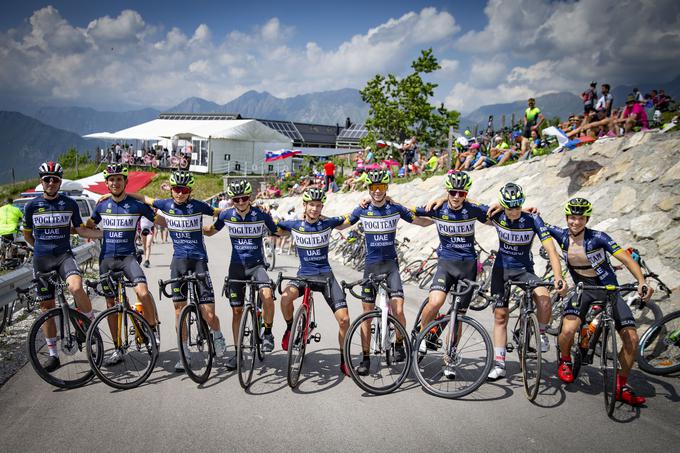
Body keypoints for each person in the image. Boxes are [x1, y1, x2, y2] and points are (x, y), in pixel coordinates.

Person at [547, 198, 652, 406]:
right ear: (566, 217)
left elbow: (626, 259)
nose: (575, 222)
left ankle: (621, 386)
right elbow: (534, 221)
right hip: (583, 289)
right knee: (568, 330)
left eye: (580, 218)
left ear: (587, 219)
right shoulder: (560, 235)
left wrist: (642, 281)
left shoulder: (598, 237)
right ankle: (565, 360)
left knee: (631, 337)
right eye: (571, 217)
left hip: (608, 289)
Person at [128, 171, 227, 372]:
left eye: (184, 190)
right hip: (179, 261)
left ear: (189, 191)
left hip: (199, 260)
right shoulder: (166, 204)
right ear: (171, 190)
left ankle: (216, 334)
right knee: (178, 310)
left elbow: (219, 213)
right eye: (176, 190)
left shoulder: (198, 205)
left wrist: (230, 214)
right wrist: (113, 195)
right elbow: (144, 198)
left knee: (208, 313)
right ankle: (184, 353)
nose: (180, 194)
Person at [336, 170, 431, 375]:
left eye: (380, 187)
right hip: (370, 267)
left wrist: (443, 219)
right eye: (373, 187)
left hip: (391, 266)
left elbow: (419, 221)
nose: (377, 191)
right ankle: (366, 359)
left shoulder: (395, 208)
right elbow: (342, 225)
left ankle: (398, 343)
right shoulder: (362, 209)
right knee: (367, 315)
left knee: (398, 309)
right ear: (368, 189)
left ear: (386, 188)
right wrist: (318, 218)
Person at [23, 162, 102, 372]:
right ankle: (53, 355)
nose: (51, 182)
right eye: (47, 179)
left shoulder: (69, 203)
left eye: (55, 179)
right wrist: (39, 248)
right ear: (41, 182)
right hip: (42, 260)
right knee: (46, 308)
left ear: (60, 181)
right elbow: (27, 234)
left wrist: (106, 234)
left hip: (64, 257)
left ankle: (89, 327)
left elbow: (81, 231)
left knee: (76, 287)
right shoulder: (31, 206)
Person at [414, 172, 491, 378]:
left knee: (459, 315)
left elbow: (501, 214)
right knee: (436, 301)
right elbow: (409, 213)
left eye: (461, 192)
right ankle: (422, 336)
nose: (457, 196)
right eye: (453, 192)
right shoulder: (438, 209)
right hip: (446, 264)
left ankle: (450, 358)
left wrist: (524, 211)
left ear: (466, 193)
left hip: (468, 267)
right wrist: (386, 201)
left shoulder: (473, 209)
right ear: (447, 192)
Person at [486, 183, 566, 380]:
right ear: (503, 205)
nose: (513, 211)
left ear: (521, 203)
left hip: (523, 270)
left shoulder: (533, 219)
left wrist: (558, 277)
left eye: (517, 206)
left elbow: (551, 251)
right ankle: (499, 363)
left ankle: (541, 332)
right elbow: (464, 203)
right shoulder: (497, 214)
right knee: (500, 316)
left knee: (545, 299)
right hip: (501, 271)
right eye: (509, 207)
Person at [86, 164, 161, 364]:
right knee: (111, 304)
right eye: (111, 179)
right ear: (107, 183)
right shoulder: (101, 206)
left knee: (142, 292)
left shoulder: (135, 205)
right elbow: (88, 226)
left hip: (128, 258)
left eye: (119, 179)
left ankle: (152, 328)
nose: (115, 182)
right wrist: (95, 231)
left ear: (125, 182)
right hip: (107, 260)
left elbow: (158, 219)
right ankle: (118, 347)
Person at [276, 188, 352, 376]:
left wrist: (368, 203)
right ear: (305, 205)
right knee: (285, 299)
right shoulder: (294, 225)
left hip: (325, 276)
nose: (315, 209)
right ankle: (289, 328)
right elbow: (274, 226)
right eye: (312, 205)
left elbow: (350, 219)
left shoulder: (328, 223)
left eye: (318, 206)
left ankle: (344, 360)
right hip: (304, 275)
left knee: (344, 319)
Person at [204, 180, 278, 369]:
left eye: (245, 198)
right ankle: (237, 354)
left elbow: (278, 231)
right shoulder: (227, 215)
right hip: (236, 267)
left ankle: (267, 332)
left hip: (257, 265)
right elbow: (211, 231)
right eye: (236, 199)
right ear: (232, 200)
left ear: (250, 198)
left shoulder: (261, 214)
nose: (241, 202)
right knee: (236, 311)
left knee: (267, 295)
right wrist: (191, 225)